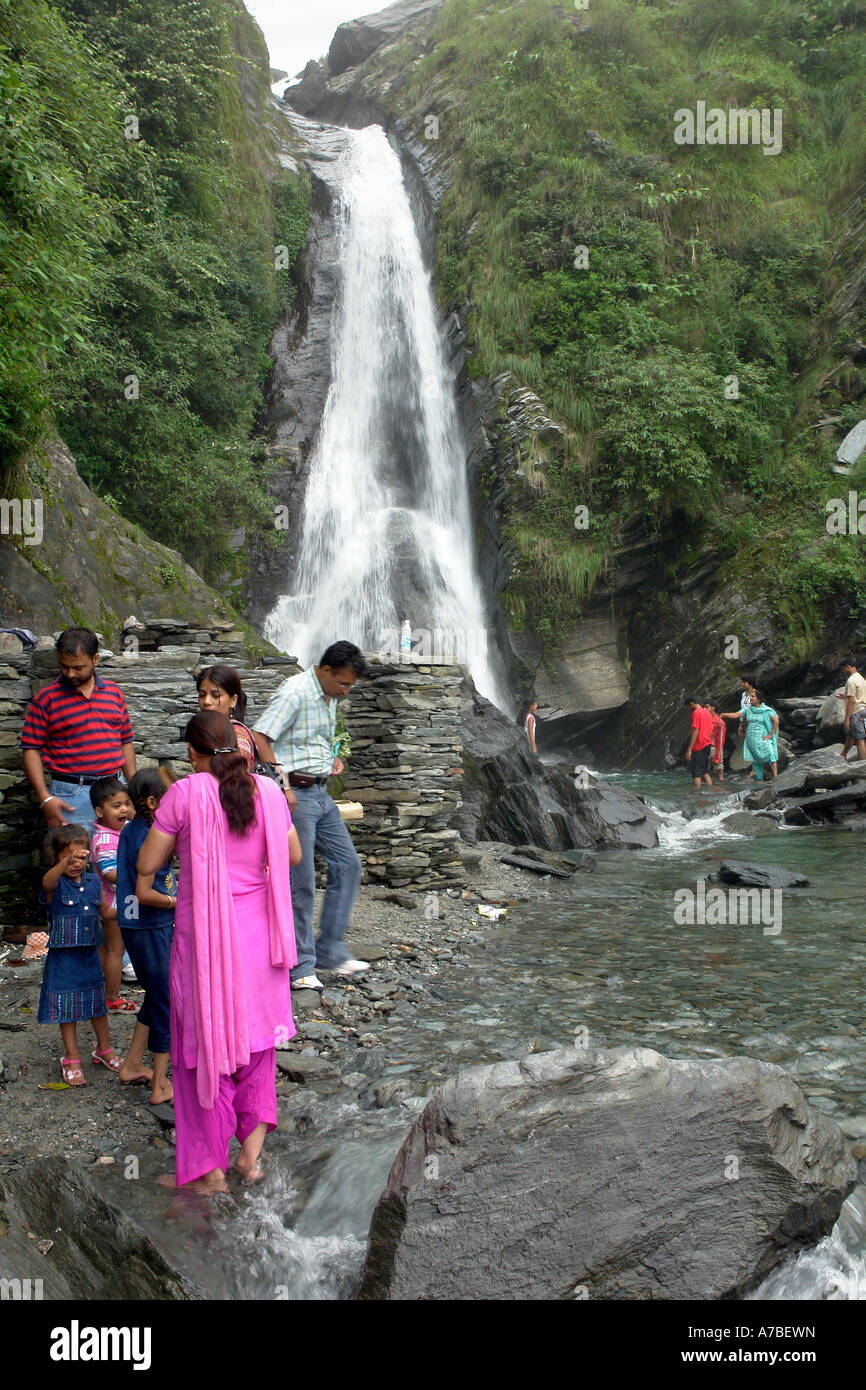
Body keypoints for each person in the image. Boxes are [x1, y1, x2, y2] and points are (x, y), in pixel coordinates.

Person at [136, 712, 301, 1192]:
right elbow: (290, 856)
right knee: (256, 1051)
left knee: (203, 1050)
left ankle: (209, 1171)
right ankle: (249, 1161)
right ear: (239, 743)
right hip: (262, 946)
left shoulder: (185, 794)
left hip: (207, 946)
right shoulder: (268, 792)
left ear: (192, 752)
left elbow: (149, 860)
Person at [252, 641, 367, 991]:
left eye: (351, 686)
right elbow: (259, 736)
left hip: (320, 792)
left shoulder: (329, 695)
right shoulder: (296, 692)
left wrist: (327, 761)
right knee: (300, 882)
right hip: (296, 796)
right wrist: (282, 786)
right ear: (325, 670)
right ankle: (301, 965)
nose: (345, 691)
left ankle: (330, 949)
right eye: (343, 684)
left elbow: (308, 739)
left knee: (348, 865)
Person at [20, 627, 136, 831]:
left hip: (115, 793)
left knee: (116, 859)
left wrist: (134, 790)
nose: (70, 673)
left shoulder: (114, 693)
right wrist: (45, 798)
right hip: (71, 795)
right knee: (74, 860)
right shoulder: (46, 700)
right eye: (64, 667)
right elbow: (30, 749)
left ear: (96, 660)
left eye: (78, 667)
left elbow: (125, 741)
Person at [37, 824, 122, 1085]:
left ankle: (104, 1048)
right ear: (56, 858)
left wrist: (131, 910)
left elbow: (105, 912)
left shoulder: (93, 882)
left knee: (97, 1005)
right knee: (67, 1008)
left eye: (81, 858)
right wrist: (63, 865)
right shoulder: (56, 885)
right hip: (64, 958)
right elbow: (46, 882)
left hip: (88, 956)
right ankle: (71, 1056)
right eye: (68, 858)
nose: (76, 864)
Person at [115, 769, 177, 1104]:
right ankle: (160, 1085)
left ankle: (133, 1064)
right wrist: (177, 903)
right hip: (149, 926)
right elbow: (144, 893)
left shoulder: (133, 830)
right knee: (167, 1001)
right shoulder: (147, 837)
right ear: (152, 802)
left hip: (136, 926)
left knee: (155, 994)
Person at [90, 777, 137, 1012]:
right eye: (116, 806)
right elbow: (110, 873)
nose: (124, 809)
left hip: (125, 899)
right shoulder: (106, 839)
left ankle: (93, 985)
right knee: (116, 950)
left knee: (110, 947)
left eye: (126, 804)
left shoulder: (122, 830)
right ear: (99, 811)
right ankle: (111, 997)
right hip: (115, 902)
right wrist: (141, 872)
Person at [195, 665, 261, 772]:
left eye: (215, 695)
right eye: (202, 695)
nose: (206, 701)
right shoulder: (210, 732)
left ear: (233, 700)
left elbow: (236, 779)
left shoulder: (238, 735)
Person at [720, 674, 757, 779]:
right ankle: (755, 769)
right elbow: (743, 709)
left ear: (749, 683)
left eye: (744, 682)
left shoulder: (755, 695)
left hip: (754, 723)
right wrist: (741, 725)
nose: (742, 684)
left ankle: (756, 770)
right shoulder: (744, 695)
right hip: (746, 723)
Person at [739, 690, 779, 780]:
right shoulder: (749, 710)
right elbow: (740, 715)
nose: (750, 698)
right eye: (750, 697)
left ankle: (776, 777)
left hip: (763, 737)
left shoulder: (766, 710)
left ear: (759, 699)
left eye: (753, 697)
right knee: (755, 757)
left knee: (771, 754)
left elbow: (776, 721)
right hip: (752, 738)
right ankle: (758, 776)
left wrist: (771, 734)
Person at [839, 657, 866, 762]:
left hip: (856, 712)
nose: (843, 671)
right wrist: (844, 696)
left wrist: (847, 719)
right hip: (863, 710)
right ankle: (843, 754)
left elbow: (851, 700)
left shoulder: (851, 681)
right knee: (850, 735)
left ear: (847, 667)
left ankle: (862, 765)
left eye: (843, 669)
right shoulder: (861, 678)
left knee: (859, 739)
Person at [684, 696, 714, 788]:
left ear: (692, 703)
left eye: (689, 706)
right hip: (707, 744)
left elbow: (696, 730)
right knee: (705, 772)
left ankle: (697, 797)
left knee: (696, 773)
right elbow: (711, 732)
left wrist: (689, 749)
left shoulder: (696, 713)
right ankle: (711, 791)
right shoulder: (708, 713)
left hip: (699, 746)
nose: (689, 709)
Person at [705, 699, 726, 782]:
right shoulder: (706, 719)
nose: (704, 709)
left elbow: (721, 740)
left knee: (719, 771)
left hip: (715, 748)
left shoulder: (720, 722)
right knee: (703, 771)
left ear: (713, 708)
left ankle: (721, 789)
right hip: (705, 747)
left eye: (707, 707)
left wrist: (718, 755)